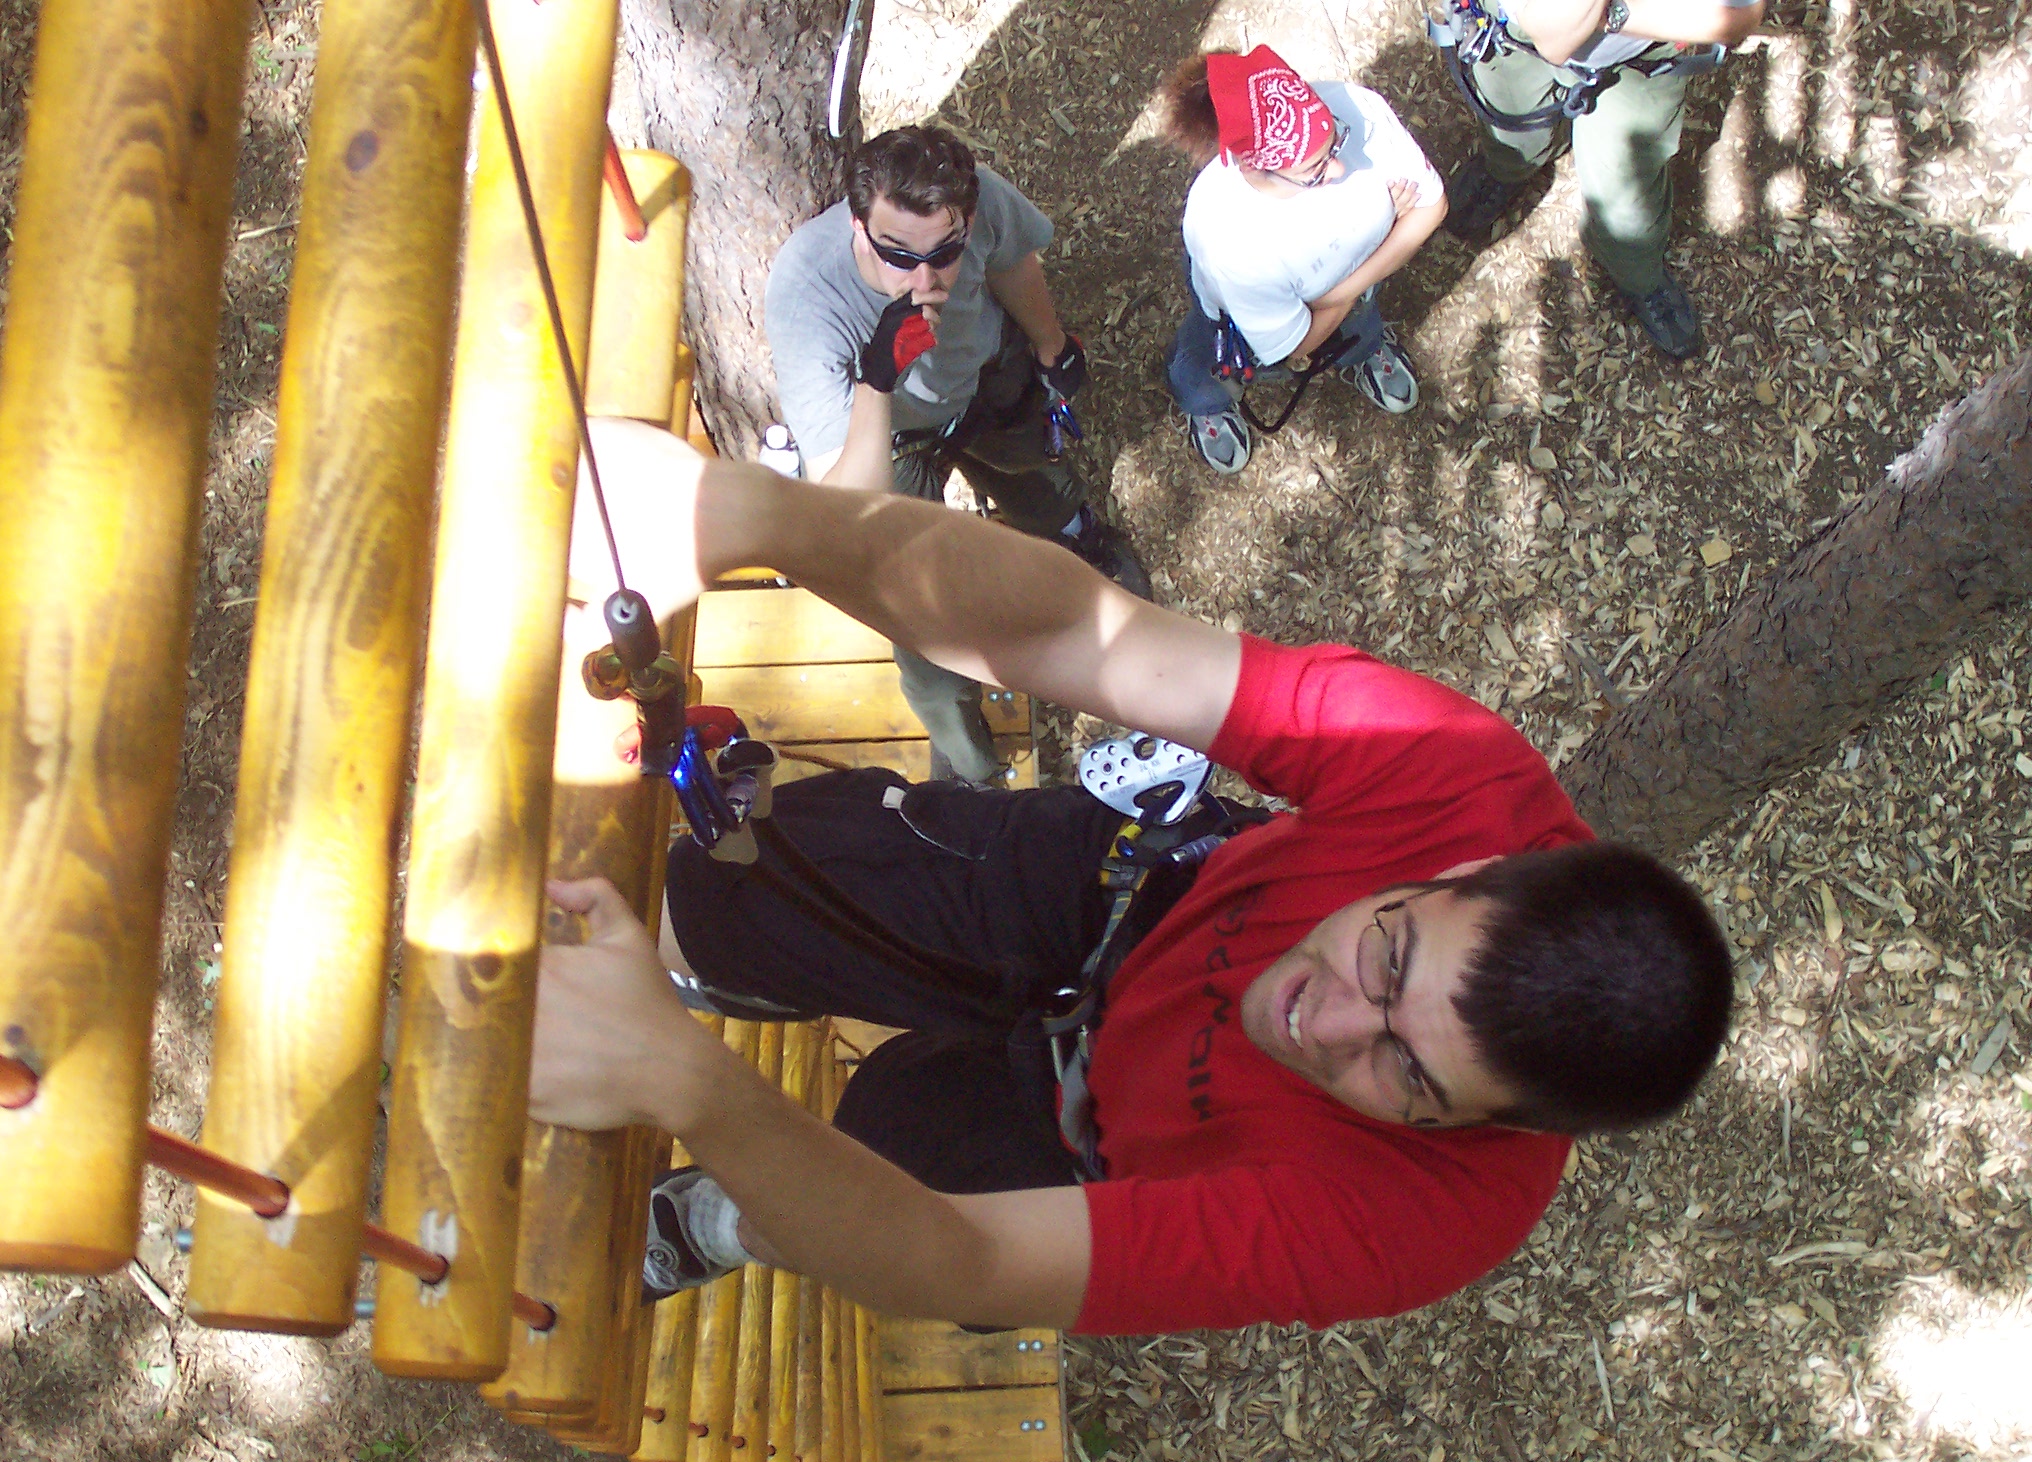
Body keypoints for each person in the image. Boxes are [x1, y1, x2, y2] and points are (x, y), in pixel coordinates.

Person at [530, 417, 1735, 1337]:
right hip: (1131, 902)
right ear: (1466, 866)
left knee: (879, 1161)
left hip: (1092, 1142)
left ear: (1481, 1132)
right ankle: (719, 960)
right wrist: (757, 515)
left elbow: (963, 1261)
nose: (1322, 1020)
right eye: (1388, 954)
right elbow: (1076, 635)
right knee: (753, 891)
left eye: (1408, 1074)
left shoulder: (1417, 1223)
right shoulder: (1452, 775)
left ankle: (730, 1219)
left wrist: (687, 1087)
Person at [764, 124, 1148, 783]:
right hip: (886, 440)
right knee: (924, 621)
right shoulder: (807, 294)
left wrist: (1052, 349)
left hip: (981, 376)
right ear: (858, 226)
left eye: (945, 253)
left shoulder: (980, 201)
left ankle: (1075, 533)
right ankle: (969, 763)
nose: (924, 279)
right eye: (897, 254)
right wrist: (877, 378)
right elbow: (846, 508)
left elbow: (1012, 264)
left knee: (1029, 463)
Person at [1157, 46, 1447, 476]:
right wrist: (1385, 234)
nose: (1338, 170)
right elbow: (1298, 345)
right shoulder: (1231, 244)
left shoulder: (1355, 106)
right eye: (1314, 170)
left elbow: (1432, 207)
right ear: (1254, 169)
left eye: (1336, 142)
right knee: (1205, 356)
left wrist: (1334, 296)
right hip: (1233, 317)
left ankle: (1365, 349)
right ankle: (1205, 402)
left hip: (1337, 294)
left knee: (1360, 321)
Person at [1438, 0, 1769, 358]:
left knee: (1625, 198)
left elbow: (1739, 18)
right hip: (1508, 23)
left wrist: (1611, 17)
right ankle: (1511, 164)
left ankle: (1636, 272)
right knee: (1513, 123)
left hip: (1639, 52)